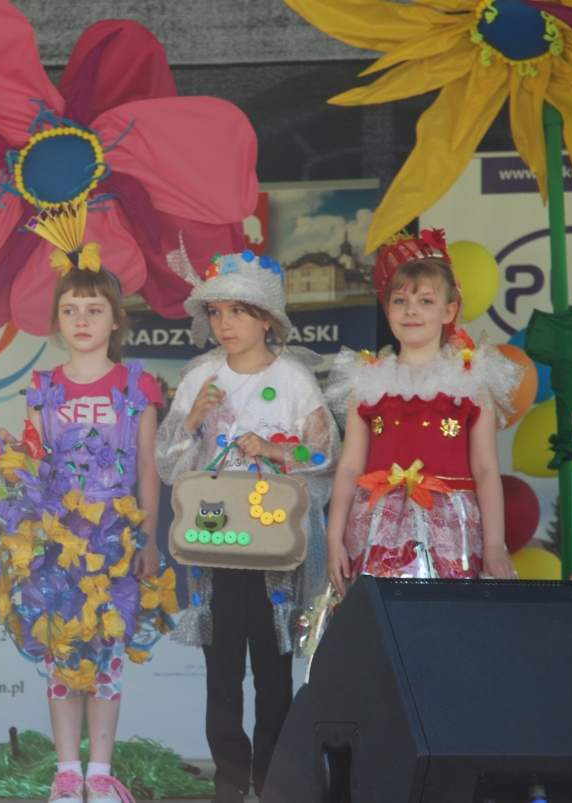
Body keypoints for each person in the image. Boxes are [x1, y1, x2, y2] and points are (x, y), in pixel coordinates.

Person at [0, 204, 178, 803]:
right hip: (55, 539)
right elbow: (34, 460)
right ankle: (67, 772)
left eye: (94, 309)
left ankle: (100, 772)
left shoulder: (136, 384)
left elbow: (147, 466)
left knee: (107, 655)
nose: (82, 319)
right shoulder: (44, 387)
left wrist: (148, 536)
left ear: (116, 319)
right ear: (56, 321)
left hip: (115, 538)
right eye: (70, 310)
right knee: (61, 652)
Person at [155, 249, 340, 803]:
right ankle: (231, 779)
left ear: (267, 319)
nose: (225, 324)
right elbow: (167, 463)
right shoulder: (200, 377)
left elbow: (326, 457)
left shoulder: (294, 380)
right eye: (215, 313)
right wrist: (192, 420)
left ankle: (272, 777)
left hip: (273, 546)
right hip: (216, 543)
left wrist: (278, 450)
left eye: (237, 311)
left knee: (273, 669)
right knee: (221, 671)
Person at [324, 230, 519, 598]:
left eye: (425, 301)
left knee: (447, 617)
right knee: (385, 617)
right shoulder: (368, 382)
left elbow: (485, 469)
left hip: (452, 532)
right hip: (378, 530)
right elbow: (349, 468)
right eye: (400, 300)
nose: (411, 310)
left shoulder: (470, 382)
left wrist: (494, 546)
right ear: (387, 309)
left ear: (449, 311)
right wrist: (334, 540)